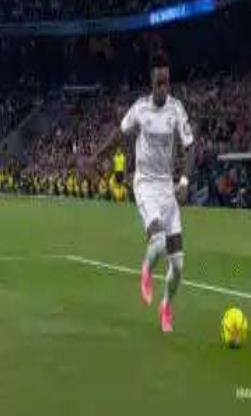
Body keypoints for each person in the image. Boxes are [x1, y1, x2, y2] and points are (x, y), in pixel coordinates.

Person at [84, 51, 194, 333]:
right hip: (145, 184)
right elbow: (118, 135)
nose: (164, 88)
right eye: (159, 83)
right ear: (151, 82)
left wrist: (183, 181)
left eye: (167, 82)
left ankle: (166, 306)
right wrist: (96, 156)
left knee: (178, 266)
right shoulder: (140, 109)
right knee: (157, 241)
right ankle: (146, 270)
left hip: (167, 189)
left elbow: (190, 147)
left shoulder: (176, 110)